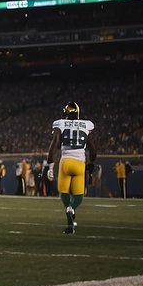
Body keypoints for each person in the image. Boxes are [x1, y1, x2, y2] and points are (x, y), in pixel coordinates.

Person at [45, 101, 96, 235]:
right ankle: (72, 209)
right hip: (80, 162)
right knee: (79, 195)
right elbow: (92, 148)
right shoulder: (86, 124)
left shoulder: (60, 123)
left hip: (66, 161)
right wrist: (92, 162)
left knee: (64, 192)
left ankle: (68, 207)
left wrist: (50, 165)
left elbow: (54, 144)